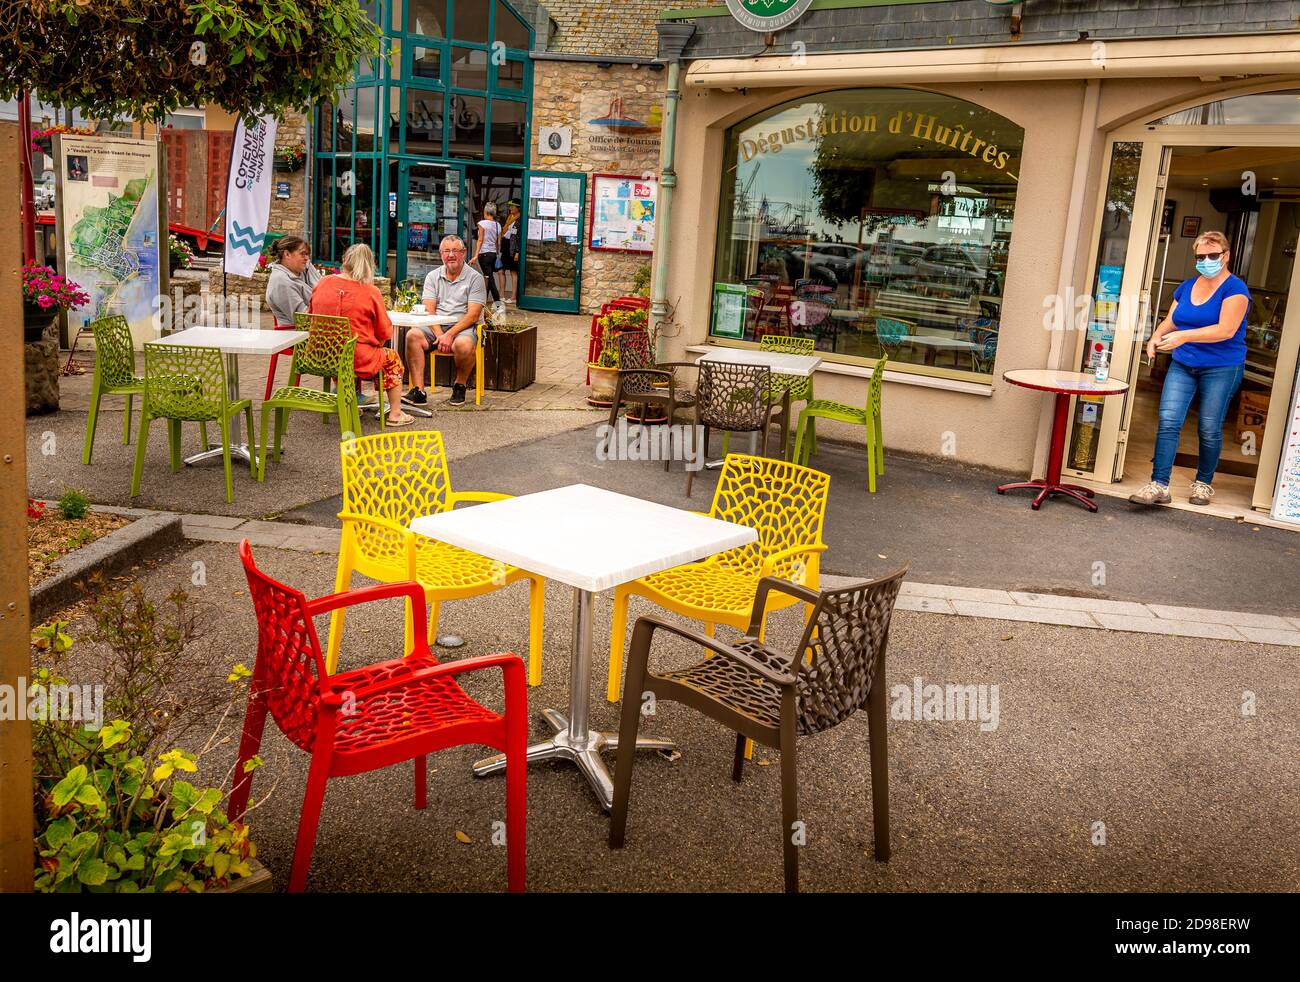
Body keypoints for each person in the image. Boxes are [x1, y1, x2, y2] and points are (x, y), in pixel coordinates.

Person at [1129, 230, 1249, 507]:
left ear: (1226, 256)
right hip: (1184, 364)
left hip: (1221, 367)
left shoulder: (1235, 289)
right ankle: (1159, 485)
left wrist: (1185, 336)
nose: (1206, 260)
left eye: (1212, 255)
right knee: (1169, 422)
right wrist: (1155, 337)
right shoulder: (1186, 286)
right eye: (1201, 256)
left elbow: (1226, 330)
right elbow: (1172, 320)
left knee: (1208, 427)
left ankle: (1203, 484)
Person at [309, 244, 414, 426]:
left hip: (322, 353)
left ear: (344, 261)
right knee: (392, 359)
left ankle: (351, 403)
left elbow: (310, 315)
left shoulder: (322, 283)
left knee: (344, 349)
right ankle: (395, 414)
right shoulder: (369, 291)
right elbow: (384, 331)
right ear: (369, 265)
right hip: (357, 358)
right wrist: (375, 344)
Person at [406, 235, 485, 407]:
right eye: (446, 251)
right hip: (437, 326)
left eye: (455, 250)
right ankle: (418, 391)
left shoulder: (475, 278)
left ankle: (460, 385)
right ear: (441, 254)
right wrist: (441, 334)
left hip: (463, 326)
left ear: (463, 253)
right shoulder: (432, 276)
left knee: (463, 345)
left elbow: (473, 315)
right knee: (412, 335)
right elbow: (429, 310)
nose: (451, 255)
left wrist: (450, 335)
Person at [264, 235, 321, 327]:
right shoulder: (281, 281)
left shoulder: (305, 268)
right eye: (302, 254)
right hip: (298, 336)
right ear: (287, 254)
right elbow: (303, 319)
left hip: (318, 328)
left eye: (307, 254)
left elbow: (324, 288)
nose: (306, 258)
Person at [470, 201, 502, 304]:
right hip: (493, 254)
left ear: (485, 211)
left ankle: (498, 303)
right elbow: (498, 242)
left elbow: (480, 240)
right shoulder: (498, 225)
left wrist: (475, 255)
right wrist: (497, 254)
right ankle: (484, 302)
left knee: (489, 278)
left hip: (484, 254)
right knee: (488, 277)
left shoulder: (482, 224)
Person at [500, 200, 521, 303]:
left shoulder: (520, 220)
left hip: (513, 248)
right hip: (505, 247)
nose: (510, 208)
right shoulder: (510, 218)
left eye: (513, 207)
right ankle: (502, 296)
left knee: (513, 272)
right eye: (510, 206)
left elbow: (518, 238)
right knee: (501, 270)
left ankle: (513, 297)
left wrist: (517, 252)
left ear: (518, 208)